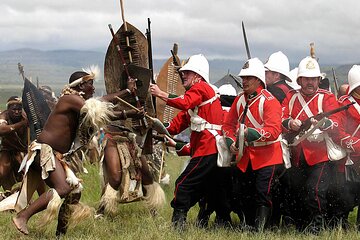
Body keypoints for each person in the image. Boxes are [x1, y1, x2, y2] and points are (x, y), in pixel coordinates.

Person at [12, 66, 142, 236]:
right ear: (81, 86)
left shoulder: (78, 103)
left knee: (74, 192)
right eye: (90, 84)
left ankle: (61, 234)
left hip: (56, 155)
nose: (93, 88)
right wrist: (127, 103)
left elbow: (102, 107)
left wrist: (128, 102)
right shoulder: (70, 99)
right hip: (44, 151)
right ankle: (22, 217)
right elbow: (98, 106)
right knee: (64, 188)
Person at [150, 54, 229, 230]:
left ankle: (178, 224)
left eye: (188, 72)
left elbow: (184, 102)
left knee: (183, 184)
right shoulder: (198, 99)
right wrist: (155, 125)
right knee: (213, 188)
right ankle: (224, 221)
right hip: (210, 149)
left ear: (198, 76)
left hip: (208, 148)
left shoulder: (201, 88)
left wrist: (160, 93)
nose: (183, 75)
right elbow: (175, 125)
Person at [222, 58, 283, 232]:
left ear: (258, 80)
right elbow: (228, 125)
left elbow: (273, 130)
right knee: (243, 191)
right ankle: (248, 224)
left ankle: (260, 229)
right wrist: (230, 141)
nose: (244, 81)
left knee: (263, 192)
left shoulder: (270, 101)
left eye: (249, 77)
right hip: (246, 155)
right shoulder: (240, 100)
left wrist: (249, 133)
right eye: (243, 77)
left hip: (268, 155)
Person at [281, 56, 339, 234]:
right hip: (297, 153)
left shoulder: (327, 97)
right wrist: (290, 123)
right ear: (299, 80)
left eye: (313, 79)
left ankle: (318, 225)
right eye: (306, 79)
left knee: (315, 190)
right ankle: (301, 225)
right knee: (297, 190)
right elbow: (281, 118)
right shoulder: (291, 97)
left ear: (319, 80)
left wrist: (323, 123)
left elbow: (336, 122)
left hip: (320, 154)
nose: (310, 83)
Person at [334, 65, 360, 230]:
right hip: (349, 159)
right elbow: (338, 133)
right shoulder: (343, 104)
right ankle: (340, 225)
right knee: (346, 196)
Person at [0, 97, 28, 191]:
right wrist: (21, 124)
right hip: (7, 149)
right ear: (8, 109)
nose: (17, 112)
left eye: (19, 109)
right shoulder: (4, 116)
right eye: (14, 109)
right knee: (2, 172)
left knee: (27, 176)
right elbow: (2, 130)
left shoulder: (25, 116)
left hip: (24, 150)